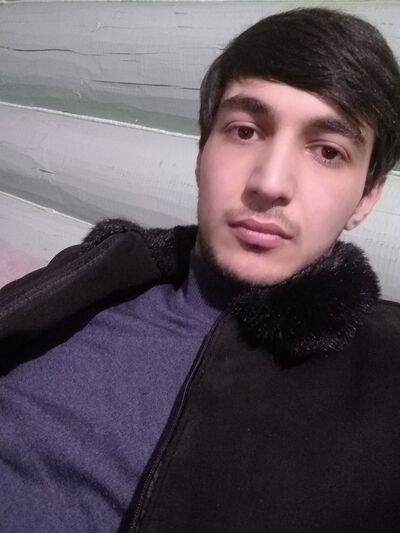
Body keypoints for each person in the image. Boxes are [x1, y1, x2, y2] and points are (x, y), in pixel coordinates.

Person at [1, 7, 400, 533]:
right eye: (244, 131)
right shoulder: (105, 270)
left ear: (366, 198)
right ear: (201, 153)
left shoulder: (384, 377)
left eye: (327, 151)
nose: (270, 183)